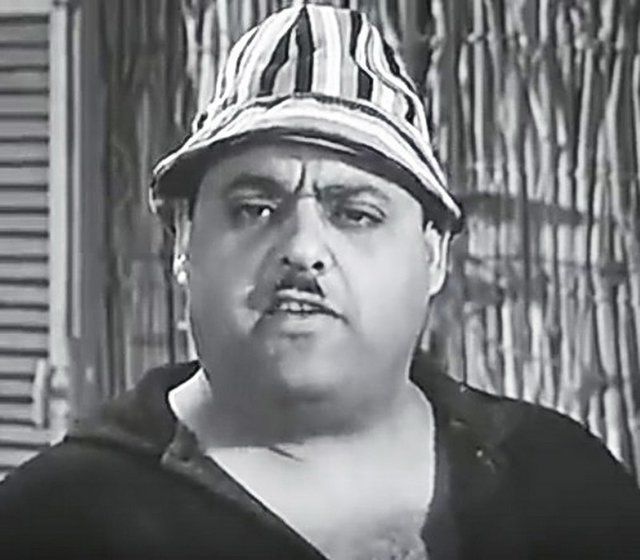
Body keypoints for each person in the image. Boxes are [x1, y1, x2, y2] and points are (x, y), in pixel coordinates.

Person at [1, 4, 639, 559]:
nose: (303, 250)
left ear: (433, 256)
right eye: (255, 208)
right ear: (183, 242)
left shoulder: (562, 485)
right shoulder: (53, 525)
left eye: (356, 213)